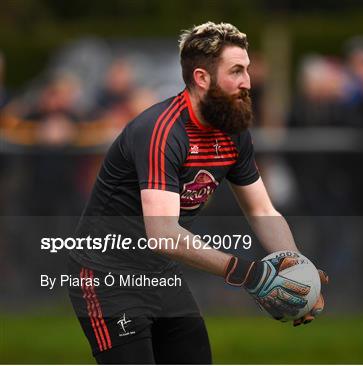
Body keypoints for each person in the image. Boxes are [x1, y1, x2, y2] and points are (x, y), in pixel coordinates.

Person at [67, 22, 328, 364]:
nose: (248, 81)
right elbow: (163, 235)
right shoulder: (161, 131)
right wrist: (248, 274)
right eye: (236, 71)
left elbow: (262, 211)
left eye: (247, 70)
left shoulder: (233, 132)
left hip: (160, 274)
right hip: (106, 277)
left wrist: (297, 273)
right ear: (203, 78)